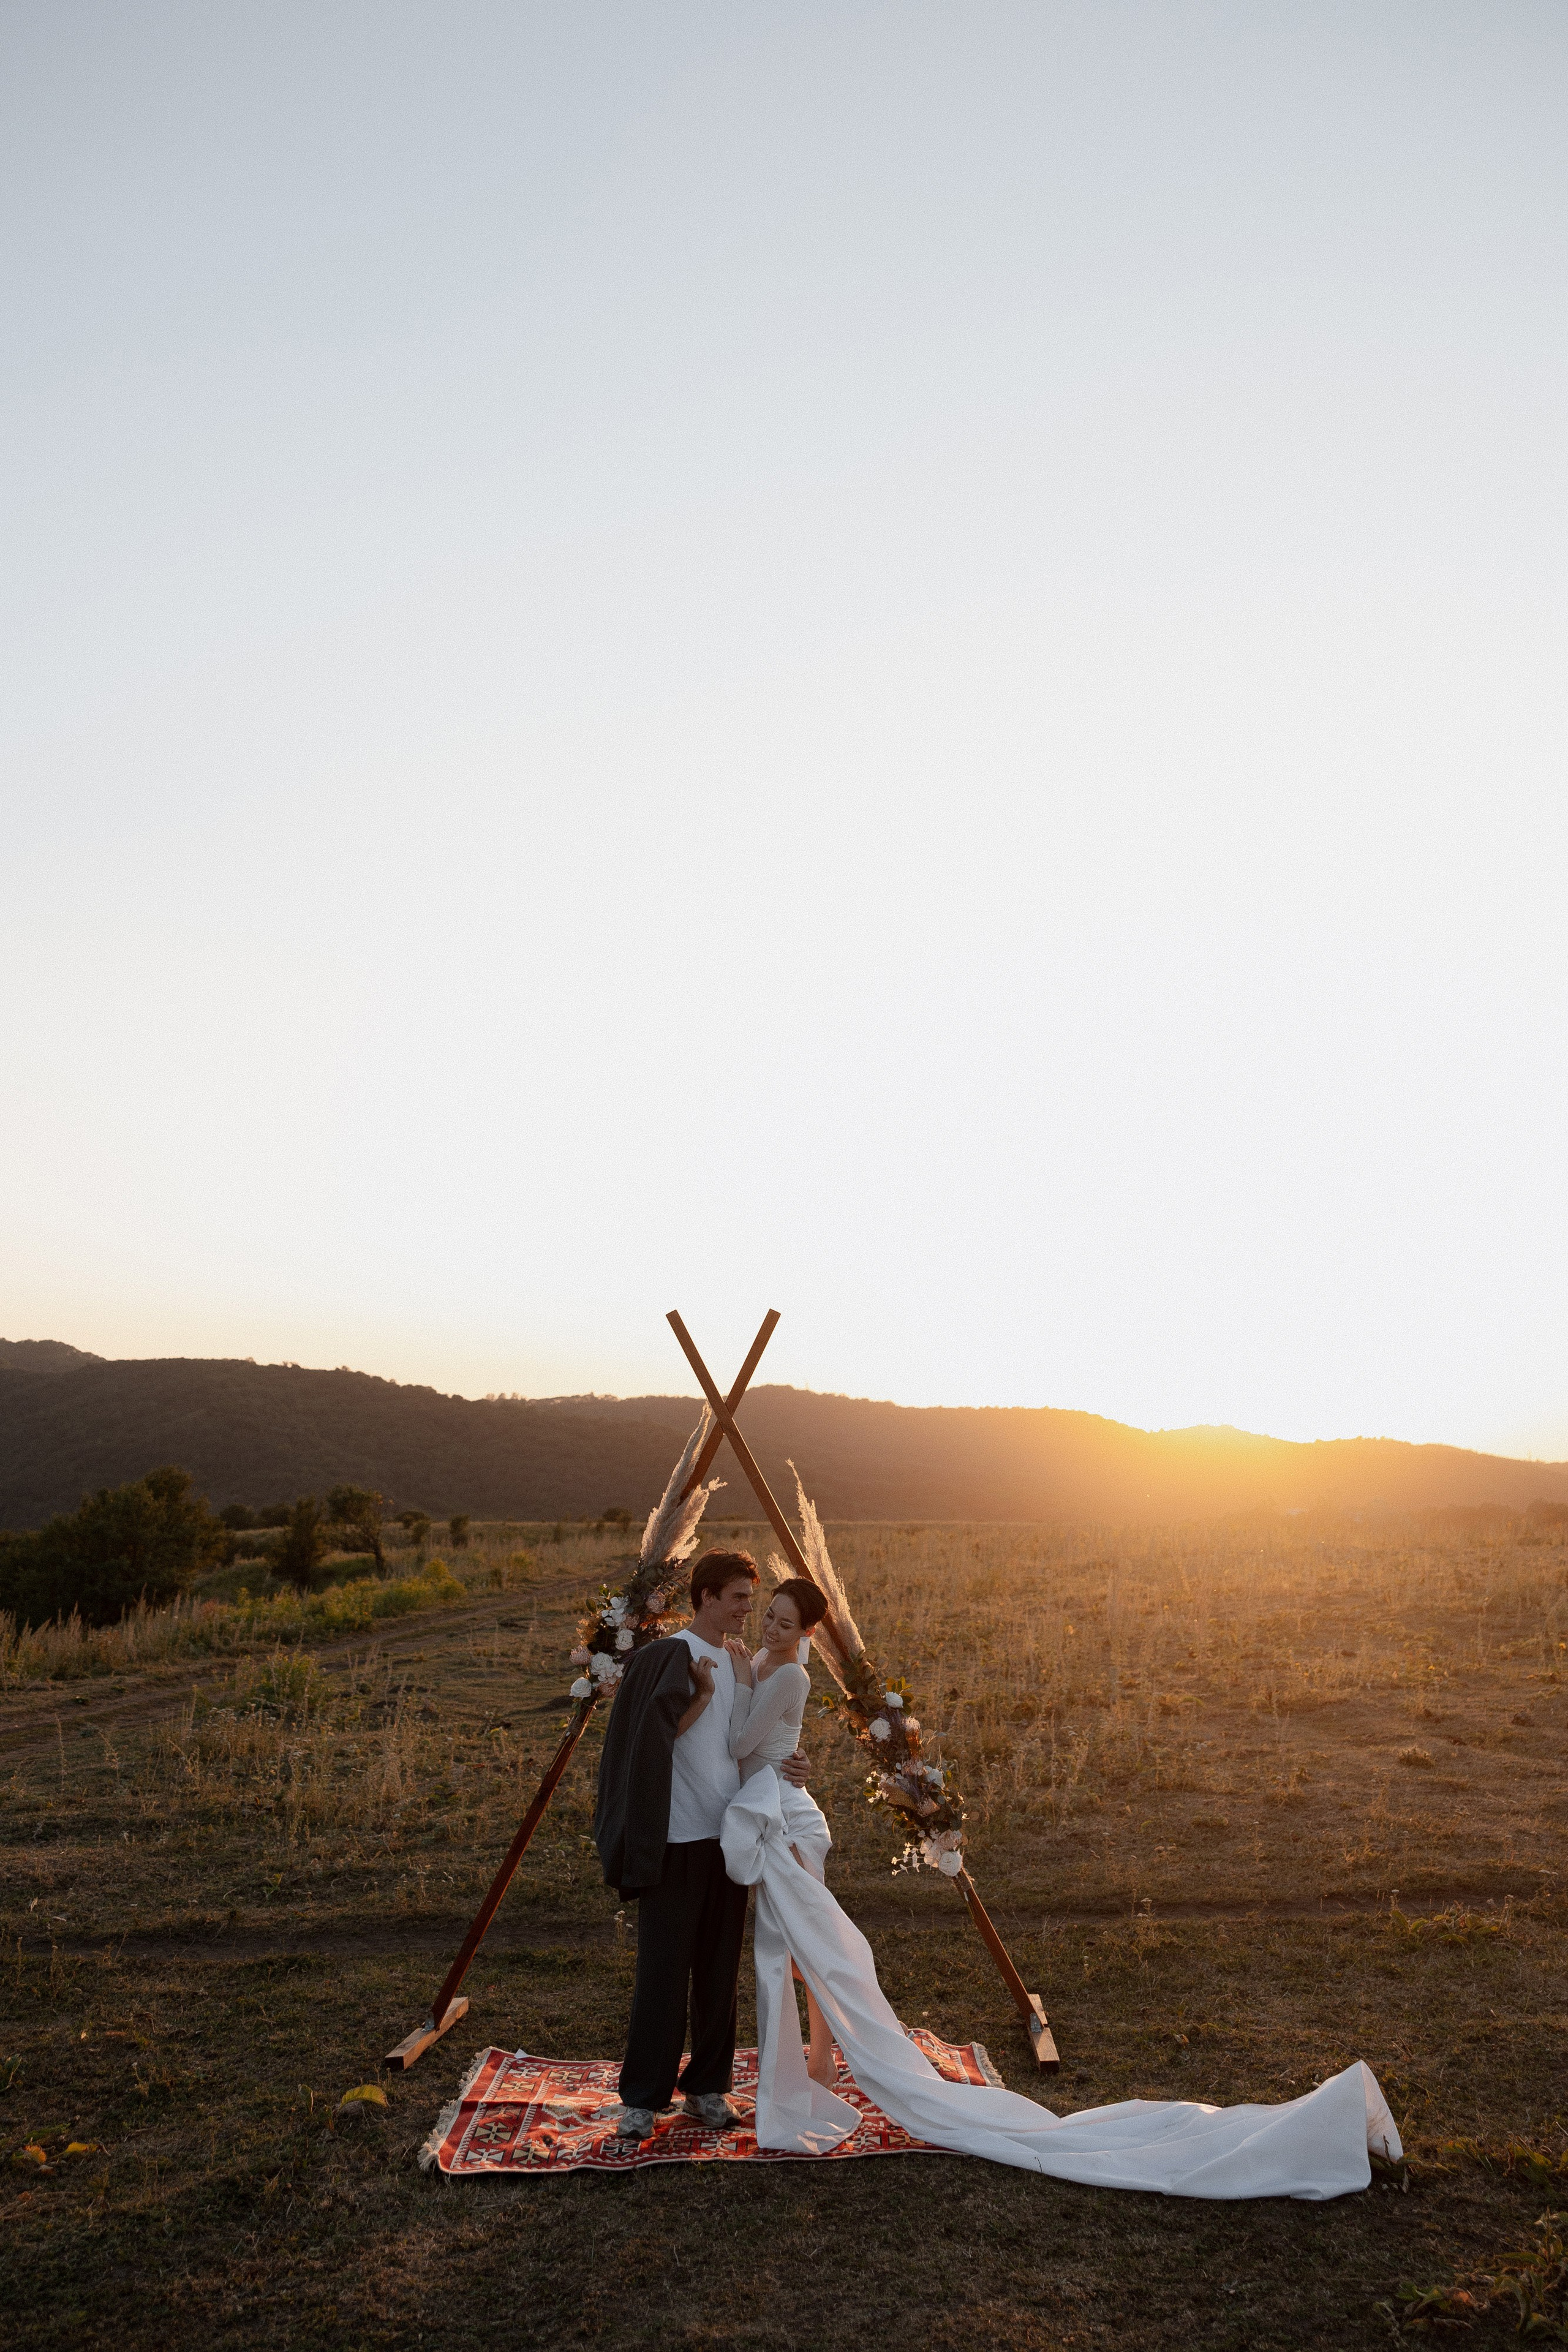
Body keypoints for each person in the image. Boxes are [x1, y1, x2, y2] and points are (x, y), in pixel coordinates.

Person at [591, 1548, 810, 2143]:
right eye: (738, 1597)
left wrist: (791, 1764)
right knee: (662, 1972)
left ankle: (707, 2089)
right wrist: (704, 1698)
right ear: (707, 1596)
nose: (748, 1609)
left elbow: (755, 1741)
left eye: (750, 1598)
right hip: (676, 1840)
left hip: (730, 1840)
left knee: (718, 1970)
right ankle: (642, 2097)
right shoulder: (669, 1655)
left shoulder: (747, 1660)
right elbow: (648, 1741)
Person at [722, 1577, 837, 2086]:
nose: (770, 1629)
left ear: (806, 1632)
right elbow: (780, 1735)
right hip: (766, 1805)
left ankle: (817, 2062)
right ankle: (807, 2057)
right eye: (769, 1615)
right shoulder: (767, 1659)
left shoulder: (789, 1674)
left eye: (785, 1624)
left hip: (784, 1818)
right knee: (790, 1945)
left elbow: (742, 1744)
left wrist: (742, 1679)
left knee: (797, 1943)